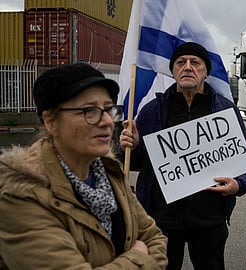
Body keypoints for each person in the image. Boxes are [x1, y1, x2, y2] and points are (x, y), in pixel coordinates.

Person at [0, 62, 168, 269]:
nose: (107, 121)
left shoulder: (109, 172)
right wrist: (139, 258)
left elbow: (154, 237)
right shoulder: (21, 195)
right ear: (50, 121)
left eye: (108, 109)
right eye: (89, 110)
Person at [119, 42, 246, 270]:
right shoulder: (152, 110)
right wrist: (132, 147)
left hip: (209, 218)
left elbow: (245, 158)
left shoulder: (225, 110)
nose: (188, 67)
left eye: (195, 63)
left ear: (206, 71)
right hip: (161, 219)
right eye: (181, 63)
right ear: (173, 71)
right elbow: (137, 163)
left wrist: (238, 185)